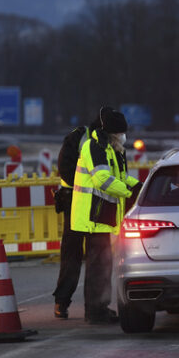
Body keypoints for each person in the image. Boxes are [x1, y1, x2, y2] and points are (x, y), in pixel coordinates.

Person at [70, 106, 141, 324]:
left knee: (105, 264)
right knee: (98, 266)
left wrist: (140, 188)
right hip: (93, 216)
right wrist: (129, 192)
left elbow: (121, 177)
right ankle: (95, 311)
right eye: (121, 132)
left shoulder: (113, 149)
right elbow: (103, 179)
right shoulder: (95, 147)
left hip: (104, 215)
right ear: (112, 133)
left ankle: (101, 306)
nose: (123, 136)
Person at [51, 116, 100, 319]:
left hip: (96, 203)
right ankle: (62, 301)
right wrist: (90, 186)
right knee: (72, 254)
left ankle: (95, 307)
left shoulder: (107, 143)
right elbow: (65, 169)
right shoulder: (79, 138)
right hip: (75, 201)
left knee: (98, 256)